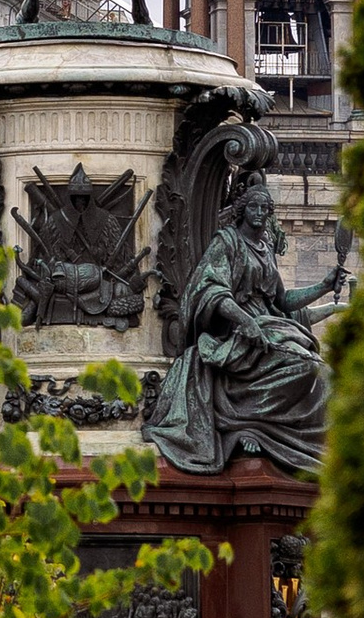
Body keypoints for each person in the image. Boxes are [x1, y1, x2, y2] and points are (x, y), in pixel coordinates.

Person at [146, 170, 342, 478]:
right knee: (308, 368)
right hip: (236, 333)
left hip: (267, 327)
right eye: (254, 207)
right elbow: (211, 290)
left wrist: (324, 286)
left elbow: (283, 300)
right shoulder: (227, 243)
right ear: (242, 210)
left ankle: (267, 431)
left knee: (322, 372)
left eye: (266, 208)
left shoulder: (265, 251)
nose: (261, 213)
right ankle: (249, 426)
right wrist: (245, 320)